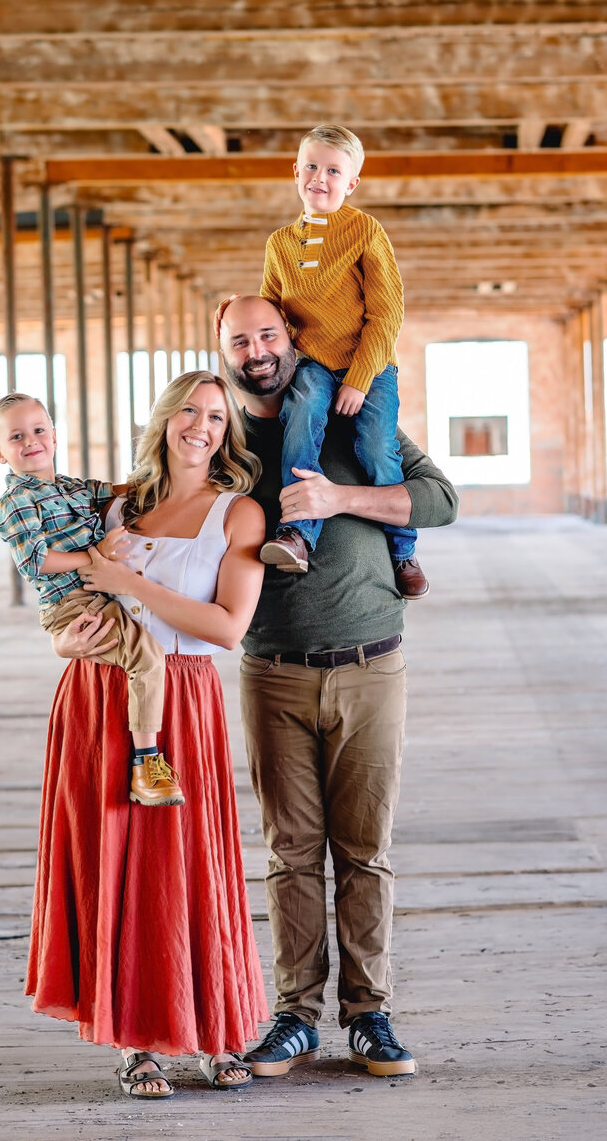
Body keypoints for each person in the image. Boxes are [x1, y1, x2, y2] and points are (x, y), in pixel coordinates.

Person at [218, 295, 459, 1078]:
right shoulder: (224, 441)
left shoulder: (356, 420)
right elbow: (154, 509)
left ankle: (370, 1013)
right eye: (238, 339)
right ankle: (295, 1016)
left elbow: (441, 499)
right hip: (273, 673)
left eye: (266, 333)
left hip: (371, 667)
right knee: (289, 853)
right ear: (222, 349)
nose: (255, 350)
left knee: (365, 851)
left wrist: (338, 497)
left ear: (292, 335)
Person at [25, 370, 270, 1097]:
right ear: (165, 419)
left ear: (229, 434)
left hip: (182, 699)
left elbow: (227, 628)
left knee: (189, 861)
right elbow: (62, 599)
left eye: (218, 418)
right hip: (99, 695)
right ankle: (134, 1043)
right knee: (116, 863)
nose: (202, 427)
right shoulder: (115, 504)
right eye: (190, 412)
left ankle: (218, 1032)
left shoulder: (240, 514)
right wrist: (64, 645)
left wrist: (133, 585)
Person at [257, 122, 429, 601]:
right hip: (311, 361)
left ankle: (402, 550)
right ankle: (297, 535)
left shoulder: (365, 231)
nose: (320, 177)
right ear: (295, 172)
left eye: (333, 170)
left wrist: (357, 380)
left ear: (350, 183)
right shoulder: (279, 244)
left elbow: (386, 313)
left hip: (367, 362)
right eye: (311, 166)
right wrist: (241, 313)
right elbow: (275, 311)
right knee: (302, 413)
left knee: (376, 445)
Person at [0, 391, 182, 807]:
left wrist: (169, 476)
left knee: (143, 648)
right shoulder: (16, 502)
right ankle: (146, 763)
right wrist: (96, 557)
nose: (31, 441)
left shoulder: (71, 488)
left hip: (98, 590)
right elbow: (36, 561)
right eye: (16, 437)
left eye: (38, 430)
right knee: (147, 654)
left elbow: (119, 490)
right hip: (73, 602)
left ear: (54, 437)